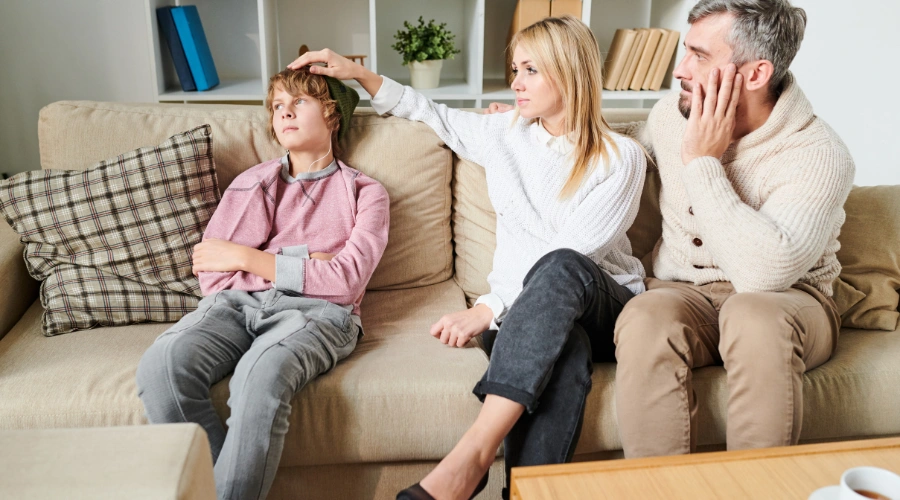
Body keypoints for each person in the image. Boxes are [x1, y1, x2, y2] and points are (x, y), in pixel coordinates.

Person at [289, 15, 647, 500]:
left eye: (530, 71)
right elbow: (428, 111)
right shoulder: (504, 133)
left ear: (569, 72)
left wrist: (489, 307)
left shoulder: (620, 156)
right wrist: (360, 76)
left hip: (604, 304)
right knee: (567, 350)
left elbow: (574, 254)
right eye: (514, 69)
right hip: (531, 320)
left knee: (562, 266)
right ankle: (520, 493)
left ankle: (471, 456)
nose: (516, 83)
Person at [607, 0, 854, 457]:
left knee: (752, 316)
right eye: (686, 51)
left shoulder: (819, 153)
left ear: (755, 74)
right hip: (685, 292)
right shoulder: (672, 116)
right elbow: (622, 144)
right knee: (643, 317)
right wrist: (537, 124)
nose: (680, 70)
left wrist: (703, 161)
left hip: (791, 301)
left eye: (700, 56)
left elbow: (765, 276)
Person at [135, 68, 390, 500]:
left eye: (300, 103)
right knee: (161, 366)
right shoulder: (252, 183)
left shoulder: (366, 193)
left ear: (332, 117)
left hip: (319, 313)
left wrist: (247, 257)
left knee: (260, 373)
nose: (285, 113)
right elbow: (212, 272)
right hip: (233, 305)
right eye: (277, 106)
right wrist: (302, 260)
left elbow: (345, 281)